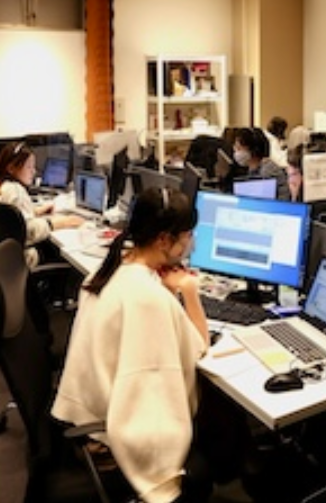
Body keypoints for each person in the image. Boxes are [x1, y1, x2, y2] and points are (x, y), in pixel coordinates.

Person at [52, 188, 215, 503]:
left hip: (87, 420)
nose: (191, 244)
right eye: (187, 236)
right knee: (219, 416)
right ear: (164, 240)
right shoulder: (146, 296)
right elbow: (199, 346)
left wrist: (168, 293)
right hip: (111, 440)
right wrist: (189, 291)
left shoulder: (109, 270)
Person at [0, 141, 84, 267]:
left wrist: (36, 211)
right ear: (11, 168)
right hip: (23, 261)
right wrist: (60, 223)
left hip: (8, 260)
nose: (34, 172)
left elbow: (14, 219)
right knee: (69, 259)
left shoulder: (6, 186)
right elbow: (29, 231)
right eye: (29, 167)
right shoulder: (15, 191)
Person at [233, 127, 291, 200]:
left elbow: (261, 202)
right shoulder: (254, 168)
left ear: (253, 150)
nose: (236, 153)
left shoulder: (268, 171)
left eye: (239, 148)